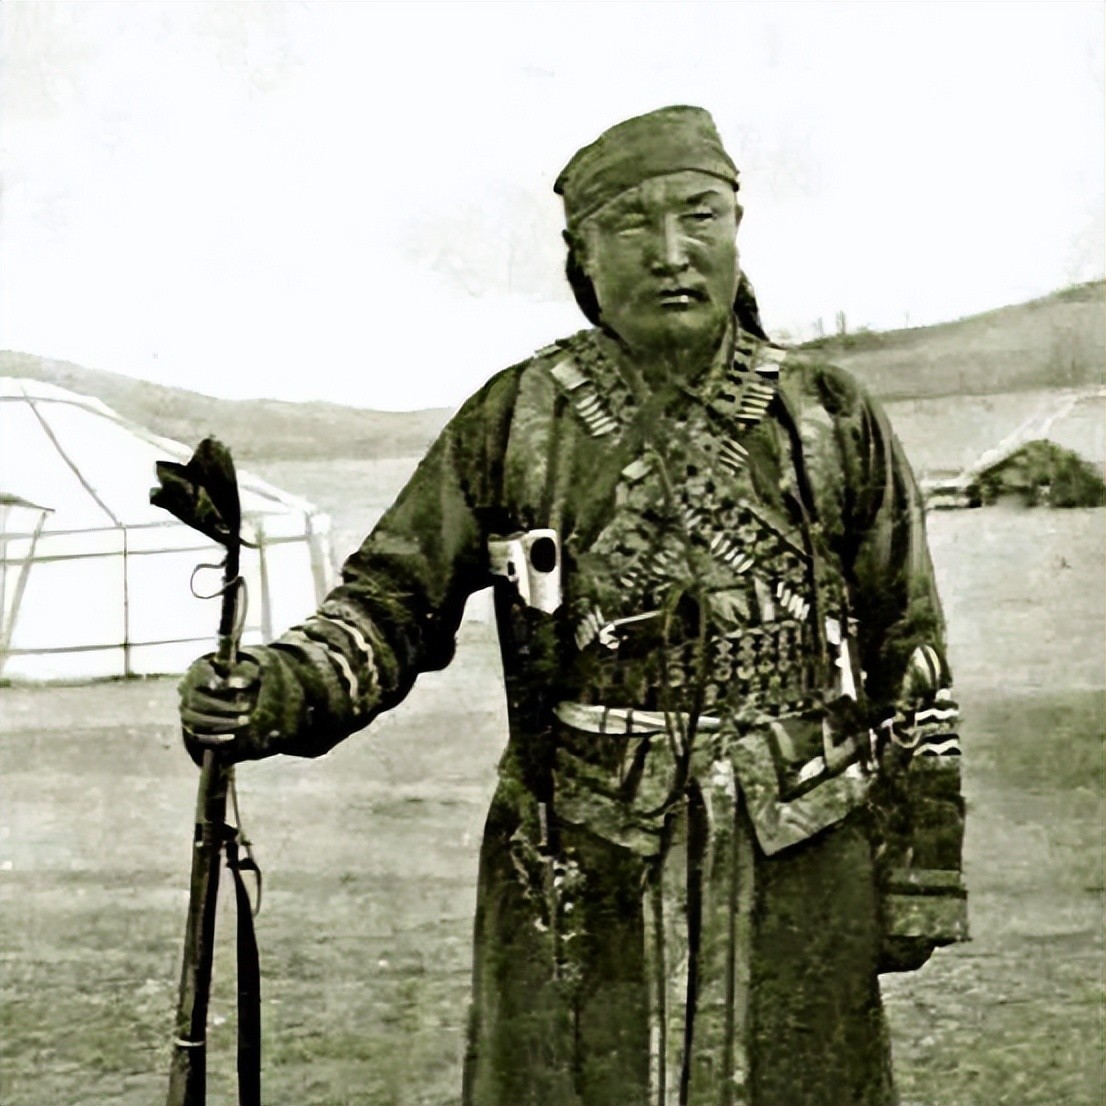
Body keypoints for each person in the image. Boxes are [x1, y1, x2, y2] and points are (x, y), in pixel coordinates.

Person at [180, 106, 967, 1106]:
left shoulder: (829, 416)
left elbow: (909, 646)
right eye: (631, 224)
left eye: (699, 214)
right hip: (581, 862)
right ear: (580, 254)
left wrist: (920, 869)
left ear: (736, 226)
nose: (671, 251)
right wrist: (275, 688)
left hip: (802, 856)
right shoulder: (516, 417)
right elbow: (389, 600)